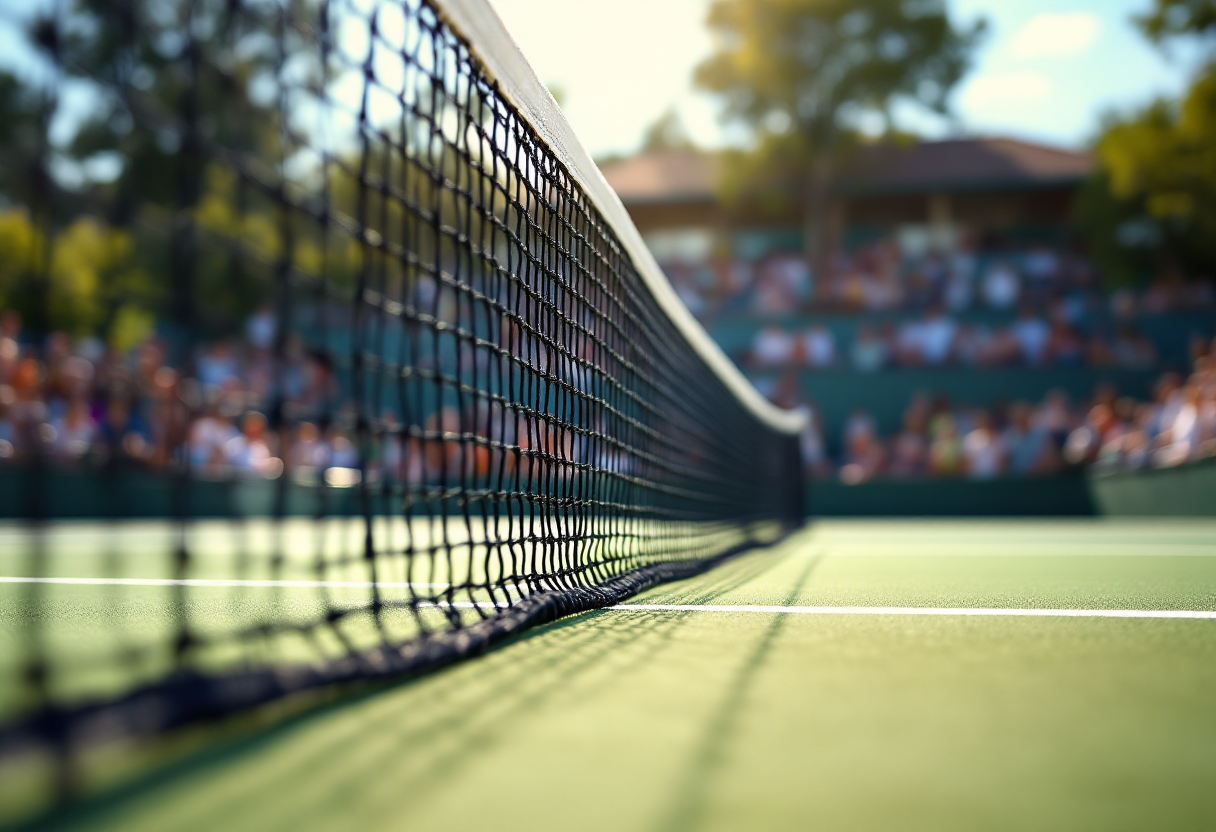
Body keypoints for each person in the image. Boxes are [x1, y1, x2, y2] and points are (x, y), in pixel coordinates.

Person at [961, 410, 1005, 479]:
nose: (984, 423)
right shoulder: (970, 438)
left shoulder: (999, 438)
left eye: (986, 420)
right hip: (975, 479)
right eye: (981, 420)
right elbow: (966, 462)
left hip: (995, 479)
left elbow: (1002, 461)